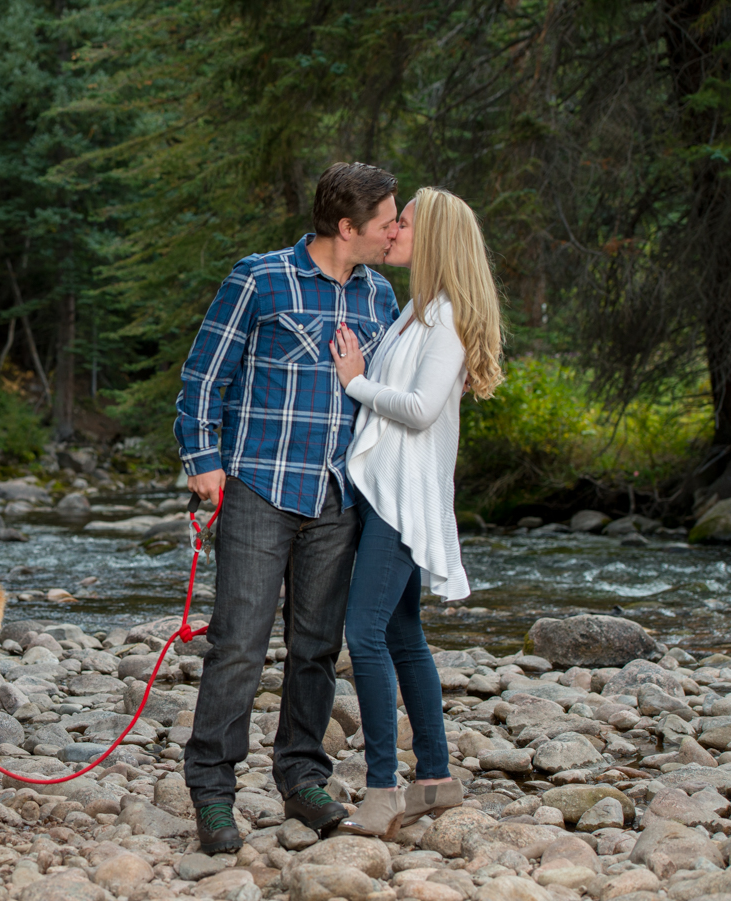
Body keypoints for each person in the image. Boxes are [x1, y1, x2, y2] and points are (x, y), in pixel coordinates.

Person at [175, 162, 402, 854]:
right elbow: (203, 374)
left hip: (338, 499)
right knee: (239, 645)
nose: (394, 230)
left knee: (314, 649)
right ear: (346, 226)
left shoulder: (380, 296)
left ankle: (302, 776)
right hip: (257, 490)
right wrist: (203, 461)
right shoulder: (260, 278)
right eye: (385, 220)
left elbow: (389, 393)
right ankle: (212, 791)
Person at [328, 187, 505, 837]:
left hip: (405, 498)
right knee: (403, 634)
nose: (393, 229)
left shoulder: (449, 318)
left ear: (432, 239)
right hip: (387, 490)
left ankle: (381, 788)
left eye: (403, 222)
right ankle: (434, 776)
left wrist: (356, 382)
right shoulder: (415, 311)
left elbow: (422, 408)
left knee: (364, 633)